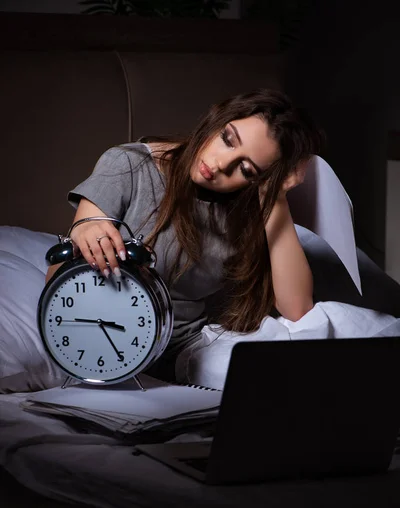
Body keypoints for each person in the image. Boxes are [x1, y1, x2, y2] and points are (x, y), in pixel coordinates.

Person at [45, 88, 325, 382]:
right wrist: (86, 229)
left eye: (244, 168)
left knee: (294, 362)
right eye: (227, 139)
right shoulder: (128, 166)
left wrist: (275, 196)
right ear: (217, 120)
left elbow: (297, 309)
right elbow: (62, 276)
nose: (219, 165)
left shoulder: (247, 208)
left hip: (186, 350)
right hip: (107, 341)